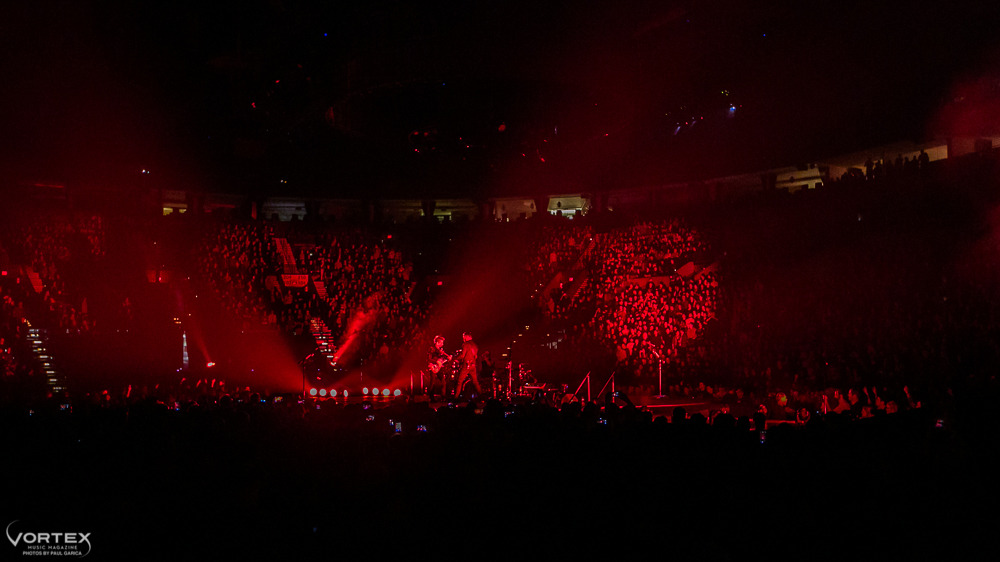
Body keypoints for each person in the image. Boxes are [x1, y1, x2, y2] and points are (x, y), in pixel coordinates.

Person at [454, 331, 481, 399]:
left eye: (464, 337)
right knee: (475, 382)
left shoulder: (465, 344)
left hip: (466, 365)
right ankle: (481, 396)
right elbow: (475, 356)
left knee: (459, 382)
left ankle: (456, 397)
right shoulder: (475, 345)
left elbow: (463, 355)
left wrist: (455, 358)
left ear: (467, 337)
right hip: (473, 365)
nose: (463, 338)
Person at [426, 335, 452, 400]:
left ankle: (443, 397)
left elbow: (442, 360)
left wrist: (448, 359)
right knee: (432, 383)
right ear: (437, 343)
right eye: (441, 342)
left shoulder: (440, 350)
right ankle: (431, 398)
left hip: (439, 368)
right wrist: (436, 361)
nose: (443, 344)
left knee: (443, 381)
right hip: (433, 367)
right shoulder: (432, 349)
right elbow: (429, 359)